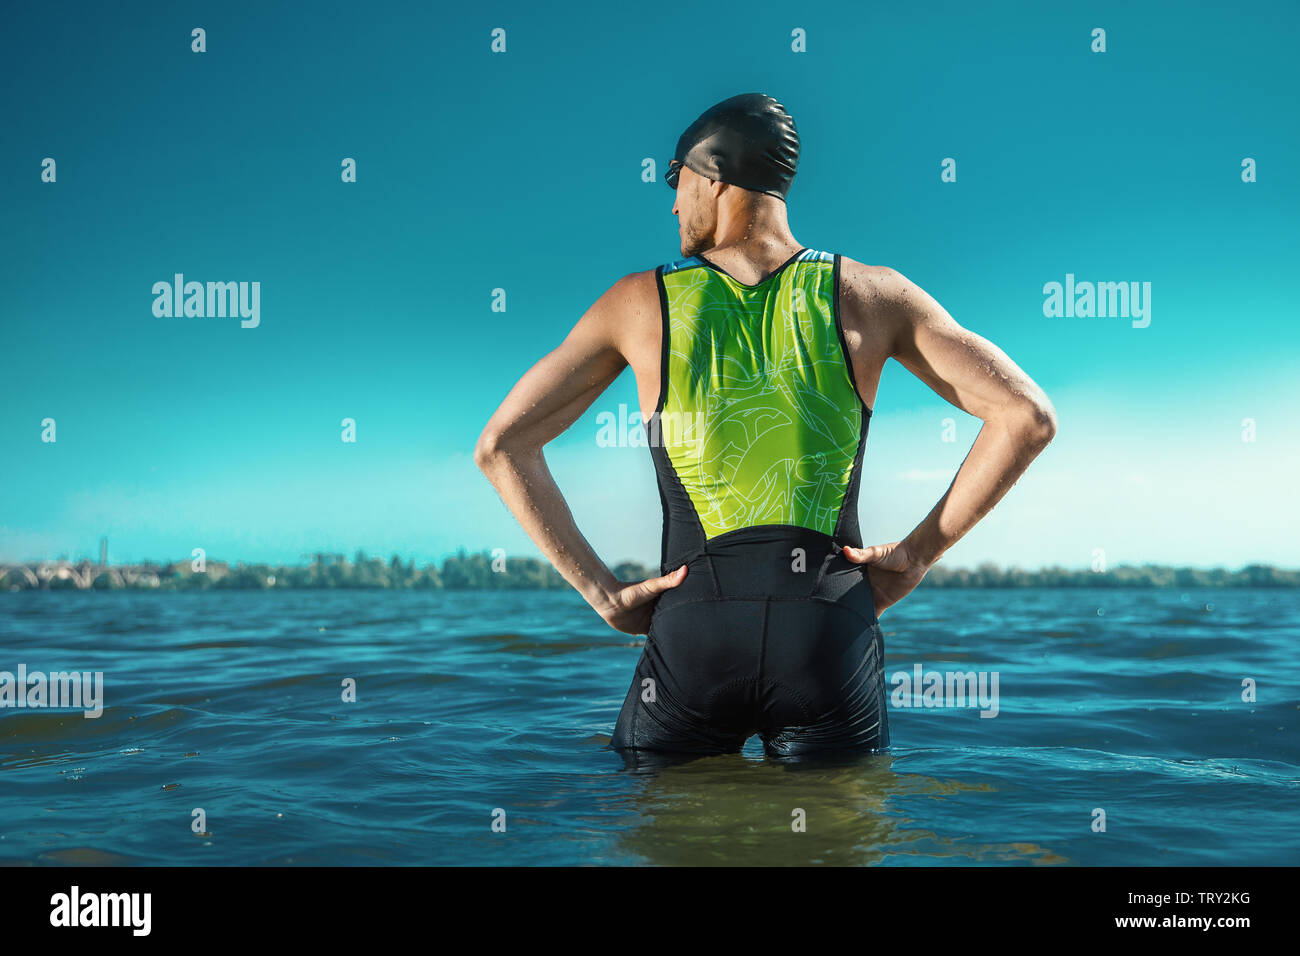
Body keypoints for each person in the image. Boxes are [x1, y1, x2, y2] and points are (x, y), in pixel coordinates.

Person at [475, 92, 1056, 764]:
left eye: (676, 178)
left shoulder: (637, 303)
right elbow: (1027, 416)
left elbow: (502, 445)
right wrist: (917, 555)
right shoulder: (872, 293)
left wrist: (600, 591)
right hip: (828, 629)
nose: (671, 203)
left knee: (665, 835)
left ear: (715, 175)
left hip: (695, 628)